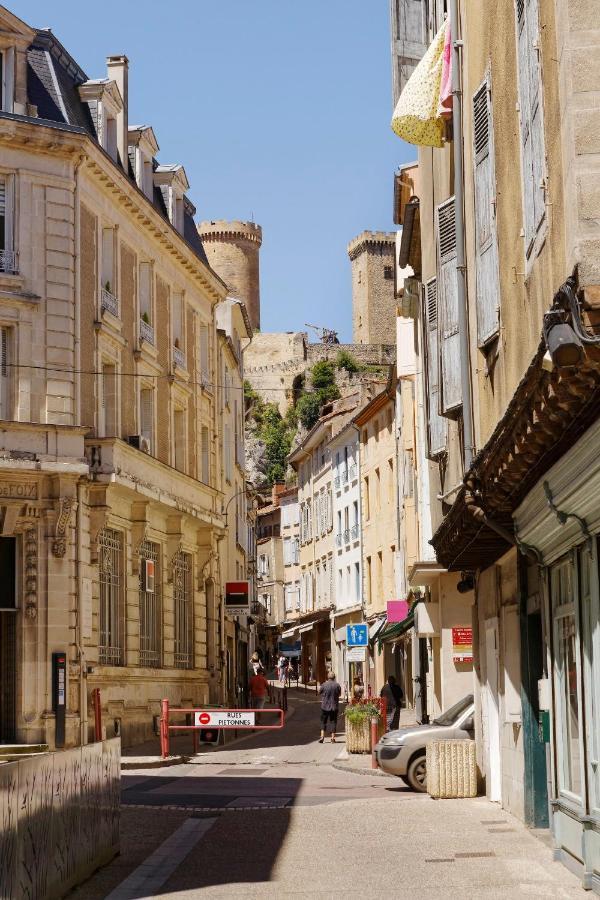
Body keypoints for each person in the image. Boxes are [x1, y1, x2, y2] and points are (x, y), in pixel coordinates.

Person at [318, 671, 341, 743]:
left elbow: (319, 692)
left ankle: (322, 737)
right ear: (334, 677)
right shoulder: (337, 685)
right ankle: (333, 738)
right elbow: (339, 694)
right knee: (333, 722)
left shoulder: (324, 685)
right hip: (334, 706)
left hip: (324, 706)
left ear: (328, 677)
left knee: (323, 721)